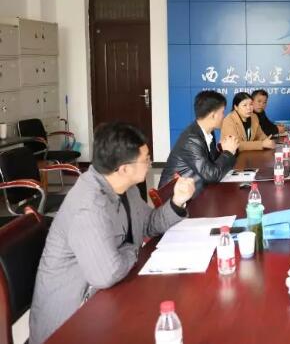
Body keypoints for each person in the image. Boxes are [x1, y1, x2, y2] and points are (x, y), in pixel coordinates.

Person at [29, 122, 196, 344]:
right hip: (70, 322)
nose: (150, 163)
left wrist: (177, 202)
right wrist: (132, 250)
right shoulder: (88, 205)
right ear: (124, 169)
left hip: (107, 297)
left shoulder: (126, 188)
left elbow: (148, 224)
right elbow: (105, 275)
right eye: (146, 159)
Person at [160, 90, 238, 193]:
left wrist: (223, 149)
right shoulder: (191, 139)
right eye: (222, 112)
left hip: (195, 188)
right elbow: (211, 175)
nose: (224, 116)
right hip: (176, 195)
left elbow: (211, 163)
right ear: (213, 115)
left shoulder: (208, 131)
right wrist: (228, 152)